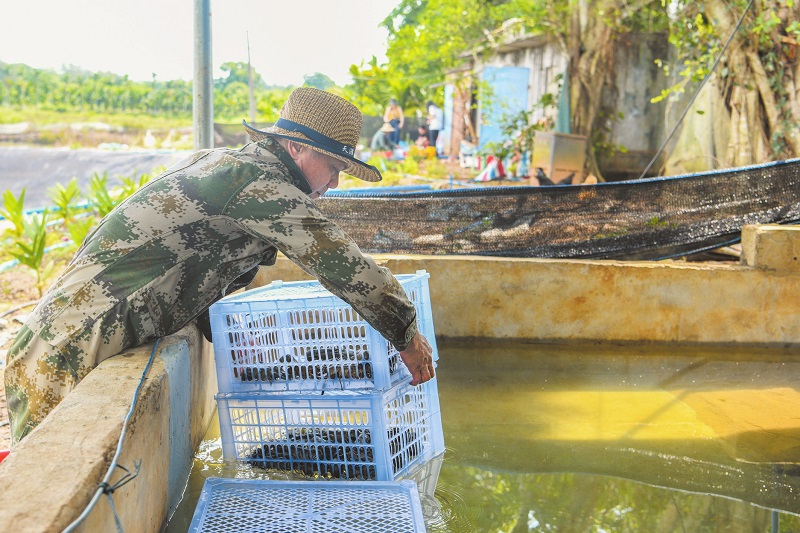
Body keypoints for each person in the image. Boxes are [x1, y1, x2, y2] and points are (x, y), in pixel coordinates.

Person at [4, 87, 436, 445]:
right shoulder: (258, 185)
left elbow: (192, 264)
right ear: (297, 147)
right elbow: (345, 266)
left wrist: (229, 335)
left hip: (59, 340)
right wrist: (406, 335)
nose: (335, 183)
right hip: (71, 349)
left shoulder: (232, 166)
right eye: (334, 167)